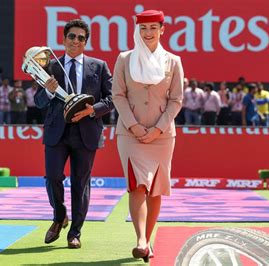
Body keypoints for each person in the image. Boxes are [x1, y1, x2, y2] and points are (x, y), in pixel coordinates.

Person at [35, 19, 113, 249]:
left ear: (85, 42)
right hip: (56, 132)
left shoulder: (98, 66)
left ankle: (75, 233)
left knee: (81, 183)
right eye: (72, 36)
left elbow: (111, 99)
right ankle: (59, 215)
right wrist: (48, 92)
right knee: (52, 177)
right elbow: (38, 101)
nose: (76, 41)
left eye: (81, 38)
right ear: (63, 39)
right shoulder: (51, 66)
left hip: (86, 131)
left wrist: (93, 110)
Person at [112, 10, 183, 262]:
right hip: (130, 134)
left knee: (155, 190)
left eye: (153, 27)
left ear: (162, 29)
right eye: (143, 28)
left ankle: (147, 240)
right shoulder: (125, 58)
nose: (148, 33)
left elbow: (176, 100)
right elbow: (118, 95)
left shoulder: (173, 61)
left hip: (162, 136)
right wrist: (134, 126)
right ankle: (141, 239)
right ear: (136, 30)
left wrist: (157, 129)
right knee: (137, 186)